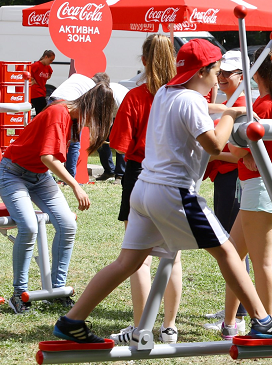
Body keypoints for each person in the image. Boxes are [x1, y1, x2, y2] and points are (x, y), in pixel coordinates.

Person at [52, 39, 272, 343]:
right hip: (174, 193)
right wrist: (230, 116)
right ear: (203, 70)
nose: (216, 81)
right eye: (216, 72)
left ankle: (71, 321)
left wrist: (221, 108)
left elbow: (194, 114)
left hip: (143, 190)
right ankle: (262, 321)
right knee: (228, 252)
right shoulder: (192, 100)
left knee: (126, 262)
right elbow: (214, 144)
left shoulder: (166, 93)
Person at [0, 81, 116, 314]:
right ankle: (19, 295)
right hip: (12, 173)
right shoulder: (58, 113)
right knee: (29, 227)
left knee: (68, 224)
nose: (95, 122)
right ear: (92, 107)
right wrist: (75, 186)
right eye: (100, 116)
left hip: (39, 178)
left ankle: (57, 291)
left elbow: (47, 163)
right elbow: (48, 158)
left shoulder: (72, 118)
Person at [106, 34, 183, 344]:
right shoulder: (183, 95)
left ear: (144, 61)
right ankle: (169, 327)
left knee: (139, 256)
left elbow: (119, 145)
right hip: (176, 175)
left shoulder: (136, 97)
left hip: (140, 174)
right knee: (173, 256)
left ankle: (140, 327)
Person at [220, 48, 272, 340]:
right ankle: (230, 323)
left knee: (260, 264)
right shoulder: (268, 102)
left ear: (256, 71)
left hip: (261, 186)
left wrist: (238, 152)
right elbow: (241, 153)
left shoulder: (263, 105)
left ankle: (265, 325)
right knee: (233, 259)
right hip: (258, 185)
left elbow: (237, 149)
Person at [202, 50, 250, 331]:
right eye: (218, 73)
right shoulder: (230, 103)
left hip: (234, 180)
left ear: (241, 77)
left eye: (226, 74)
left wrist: (211, 152)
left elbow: (236, 154)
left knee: (235, 249)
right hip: (225, 179)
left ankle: (240, 314)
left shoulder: (242, 104)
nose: (220, 78)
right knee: (233, 248)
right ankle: (236, 308)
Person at [30, 50, 55, 115]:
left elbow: (50, 74)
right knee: (42, 111)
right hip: (35, 92)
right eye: (50, 60)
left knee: (41, 111)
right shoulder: (36, 65)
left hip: (42, 91)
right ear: (46, 57)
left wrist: (45, 78)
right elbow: (26, 71)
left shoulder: (48, 67)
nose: (51, 62)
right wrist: (32, 79)